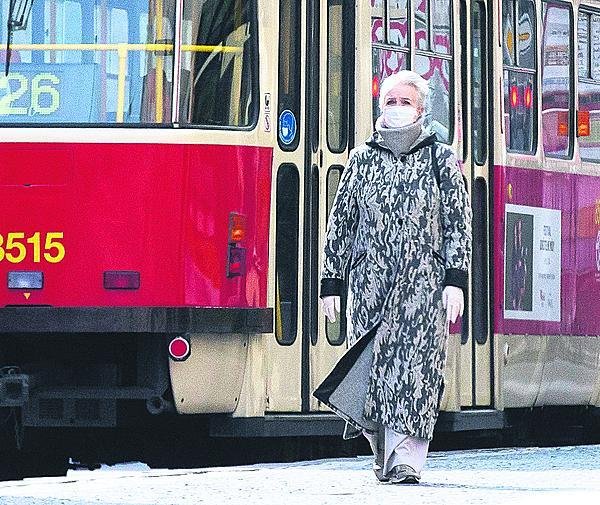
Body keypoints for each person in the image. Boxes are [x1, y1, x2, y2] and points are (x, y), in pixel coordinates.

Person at [313, 70, 472, 484]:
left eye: (406, 102)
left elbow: (458, 222)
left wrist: (455, 278)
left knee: (414, 372)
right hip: (369, 285)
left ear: (421, 110)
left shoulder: (440, 158)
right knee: (368, 373)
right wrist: (332, 281)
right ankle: (383, 451)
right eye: (390, 101)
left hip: (422, 288)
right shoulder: (363, 159)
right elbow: (342, 221)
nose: (397, 109)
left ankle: (407, 460)